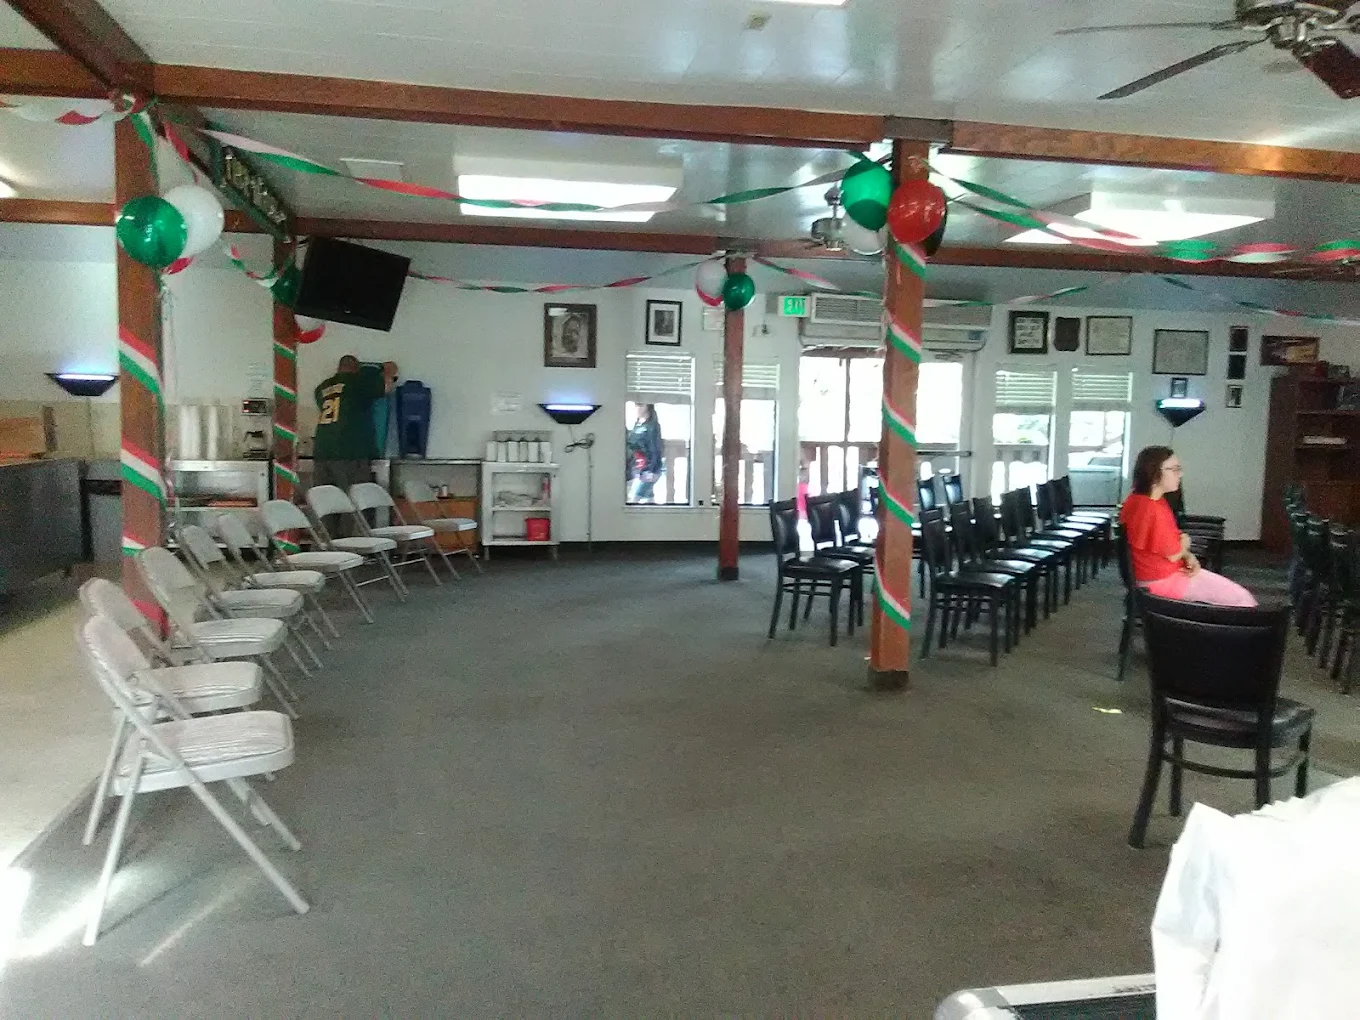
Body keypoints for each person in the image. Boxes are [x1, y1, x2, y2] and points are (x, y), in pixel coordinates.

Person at [1119, 445, 1257, 607]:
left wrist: (1188, 555)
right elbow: (1174, 553)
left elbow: (1173, 540)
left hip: (1158, 575)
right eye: (1174, 469)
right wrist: (1185, 544)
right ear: (1154, 472)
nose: (1180, 474)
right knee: (1242, 600)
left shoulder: (1140, 500)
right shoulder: (1151, 509)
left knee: (1236, 595)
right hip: (1160, 582)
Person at [312, 355, 398, 496]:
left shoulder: (321, 388)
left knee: (325, 504)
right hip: (350, 451)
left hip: (322, 452)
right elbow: (386, 387)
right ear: (356, 369)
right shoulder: (358, 382)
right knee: (355, 505)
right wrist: (389, 371)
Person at [626, 403, 663, 503]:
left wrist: (651, 469)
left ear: (648, 407)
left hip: (648, 468)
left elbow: (655, 448)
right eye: (636, 405)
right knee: (649, 499)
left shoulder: (652, 426)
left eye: (640, 405)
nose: (637, 408)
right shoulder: (637, 424)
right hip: (637, 467)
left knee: (633, 499)